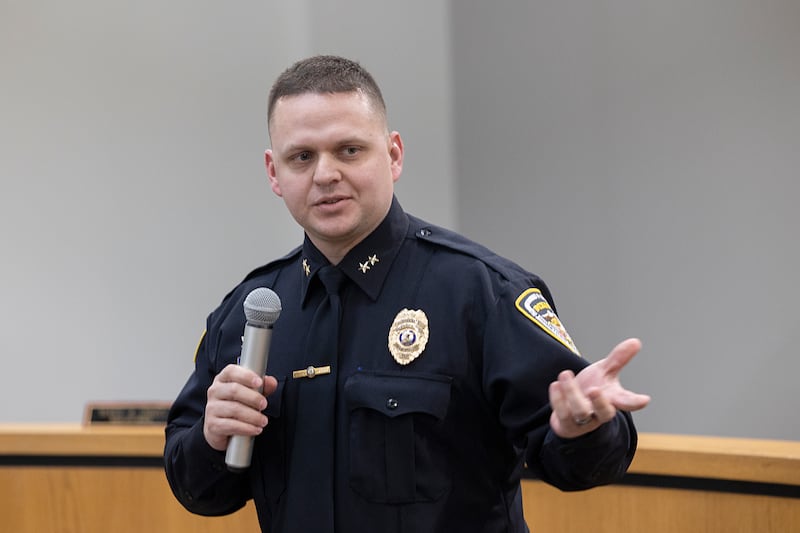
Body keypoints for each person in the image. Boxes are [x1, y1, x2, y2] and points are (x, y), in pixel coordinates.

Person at [164, 55, 650, 533]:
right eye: (302, 157)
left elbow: (586, 463)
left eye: (349, 150)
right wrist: (211, 439)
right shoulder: (249, 313)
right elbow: (199, 492)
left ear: (393, 155)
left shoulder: (480, 292)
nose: (326, 174)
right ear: (274, 172)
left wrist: (583, 429)